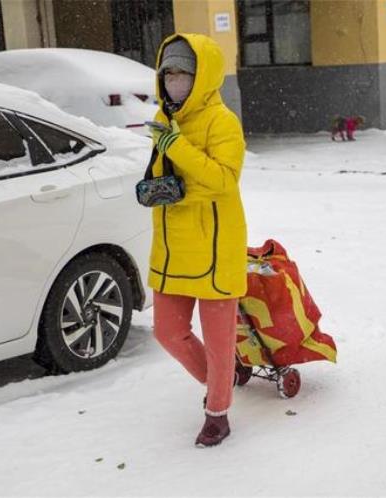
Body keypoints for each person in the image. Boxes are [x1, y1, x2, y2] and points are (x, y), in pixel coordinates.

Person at [145, 33, 247, 448]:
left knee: (220, 340)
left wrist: (178, 149)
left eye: (182, 72)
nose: (174, 80)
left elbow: (224, 180)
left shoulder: (222, 122)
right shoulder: (164, 119)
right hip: (172, 246)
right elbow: (167, 179)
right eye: (168, 72)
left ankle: (217, 412)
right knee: (168, 332)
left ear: (201, 76)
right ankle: (224, 375)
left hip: (215, 246)